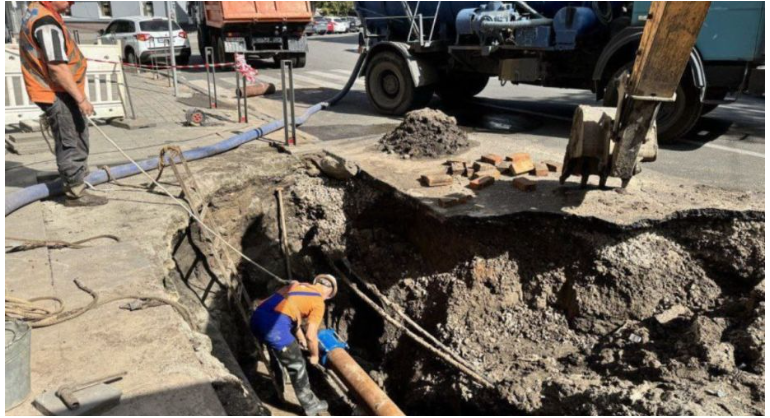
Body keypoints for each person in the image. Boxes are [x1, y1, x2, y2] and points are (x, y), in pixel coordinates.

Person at [19, 1, 106, 207]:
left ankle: (73, 177)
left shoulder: (39, 11)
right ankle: (75, 191)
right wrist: (81, 99)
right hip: (57, 92)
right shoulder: (46, 23)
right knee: (72, 140)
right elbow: (57, 67)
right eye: (68, 0)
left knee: (73, 135)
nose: (71, 4)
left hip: (54, 90)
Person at [250, 275, 338, 416]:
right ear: (328, 294)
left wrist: (300, 338)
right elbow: (311, 335)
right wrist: (315, 356)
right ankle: (310, 405)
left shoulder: (297, 286)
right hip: (275, 328)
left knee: (277, 353)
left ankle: (277, 387)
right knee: (297, 366)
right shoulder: (319, 302)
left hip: (257, 318)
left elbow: (288, 310)